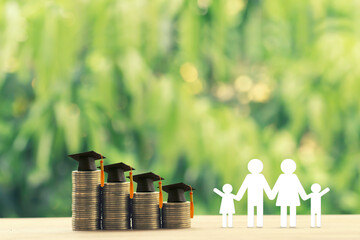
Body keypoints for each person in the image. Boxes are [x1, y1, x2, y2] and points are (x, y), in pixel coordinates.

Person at [235, 159, 273, 227]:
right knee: (251, 210)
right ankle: (251, 223)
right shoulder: (249, 177)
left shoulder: (260, 177)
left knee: (258, 210)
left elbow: (265, 186)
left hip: (258, 197)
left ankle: (258, 223)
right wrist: (239, 195)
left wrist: (270, 194)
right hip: (252, 197)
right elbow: (244, 187)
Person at [271, 159, 308, 227]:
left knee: (290, 210)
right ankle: (284, 224)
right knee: (285, 210)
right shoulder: (283, 177)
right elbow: (277, 186)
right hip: (286, 197)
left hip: (289, 197)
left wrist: (272, 194)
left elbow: (299, 187)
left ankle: (291, 224)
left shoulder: (293, 177)